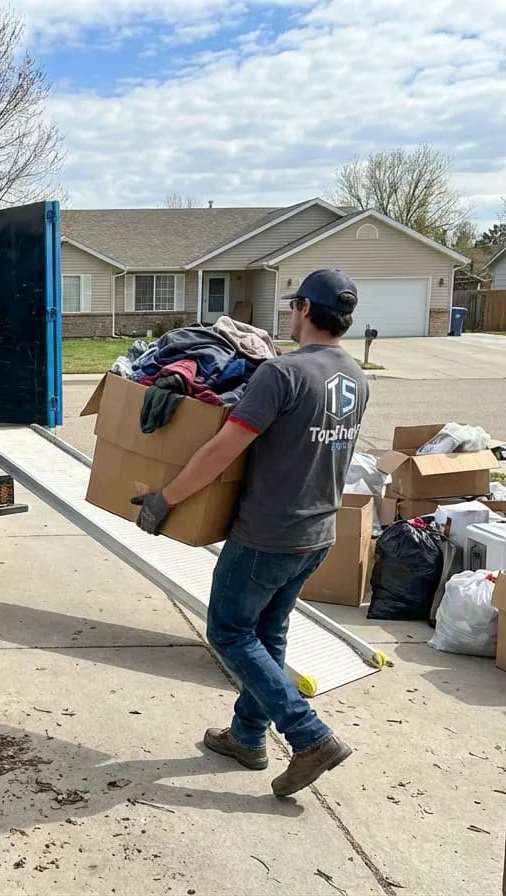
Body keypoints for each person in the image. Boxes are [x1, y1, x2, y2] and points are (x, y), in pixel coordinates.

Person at [130, 268, 369, 797]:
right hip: (318, 531)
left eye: (293, 305)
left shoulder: (282, 374)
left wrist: (165, 499)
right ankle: (247, 736)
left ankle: (310, 736)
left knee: (229, 633)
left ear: (304, 308)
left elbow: (220, 451)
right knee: (269, 634)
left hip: (268, 534)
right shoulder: (355, 375)